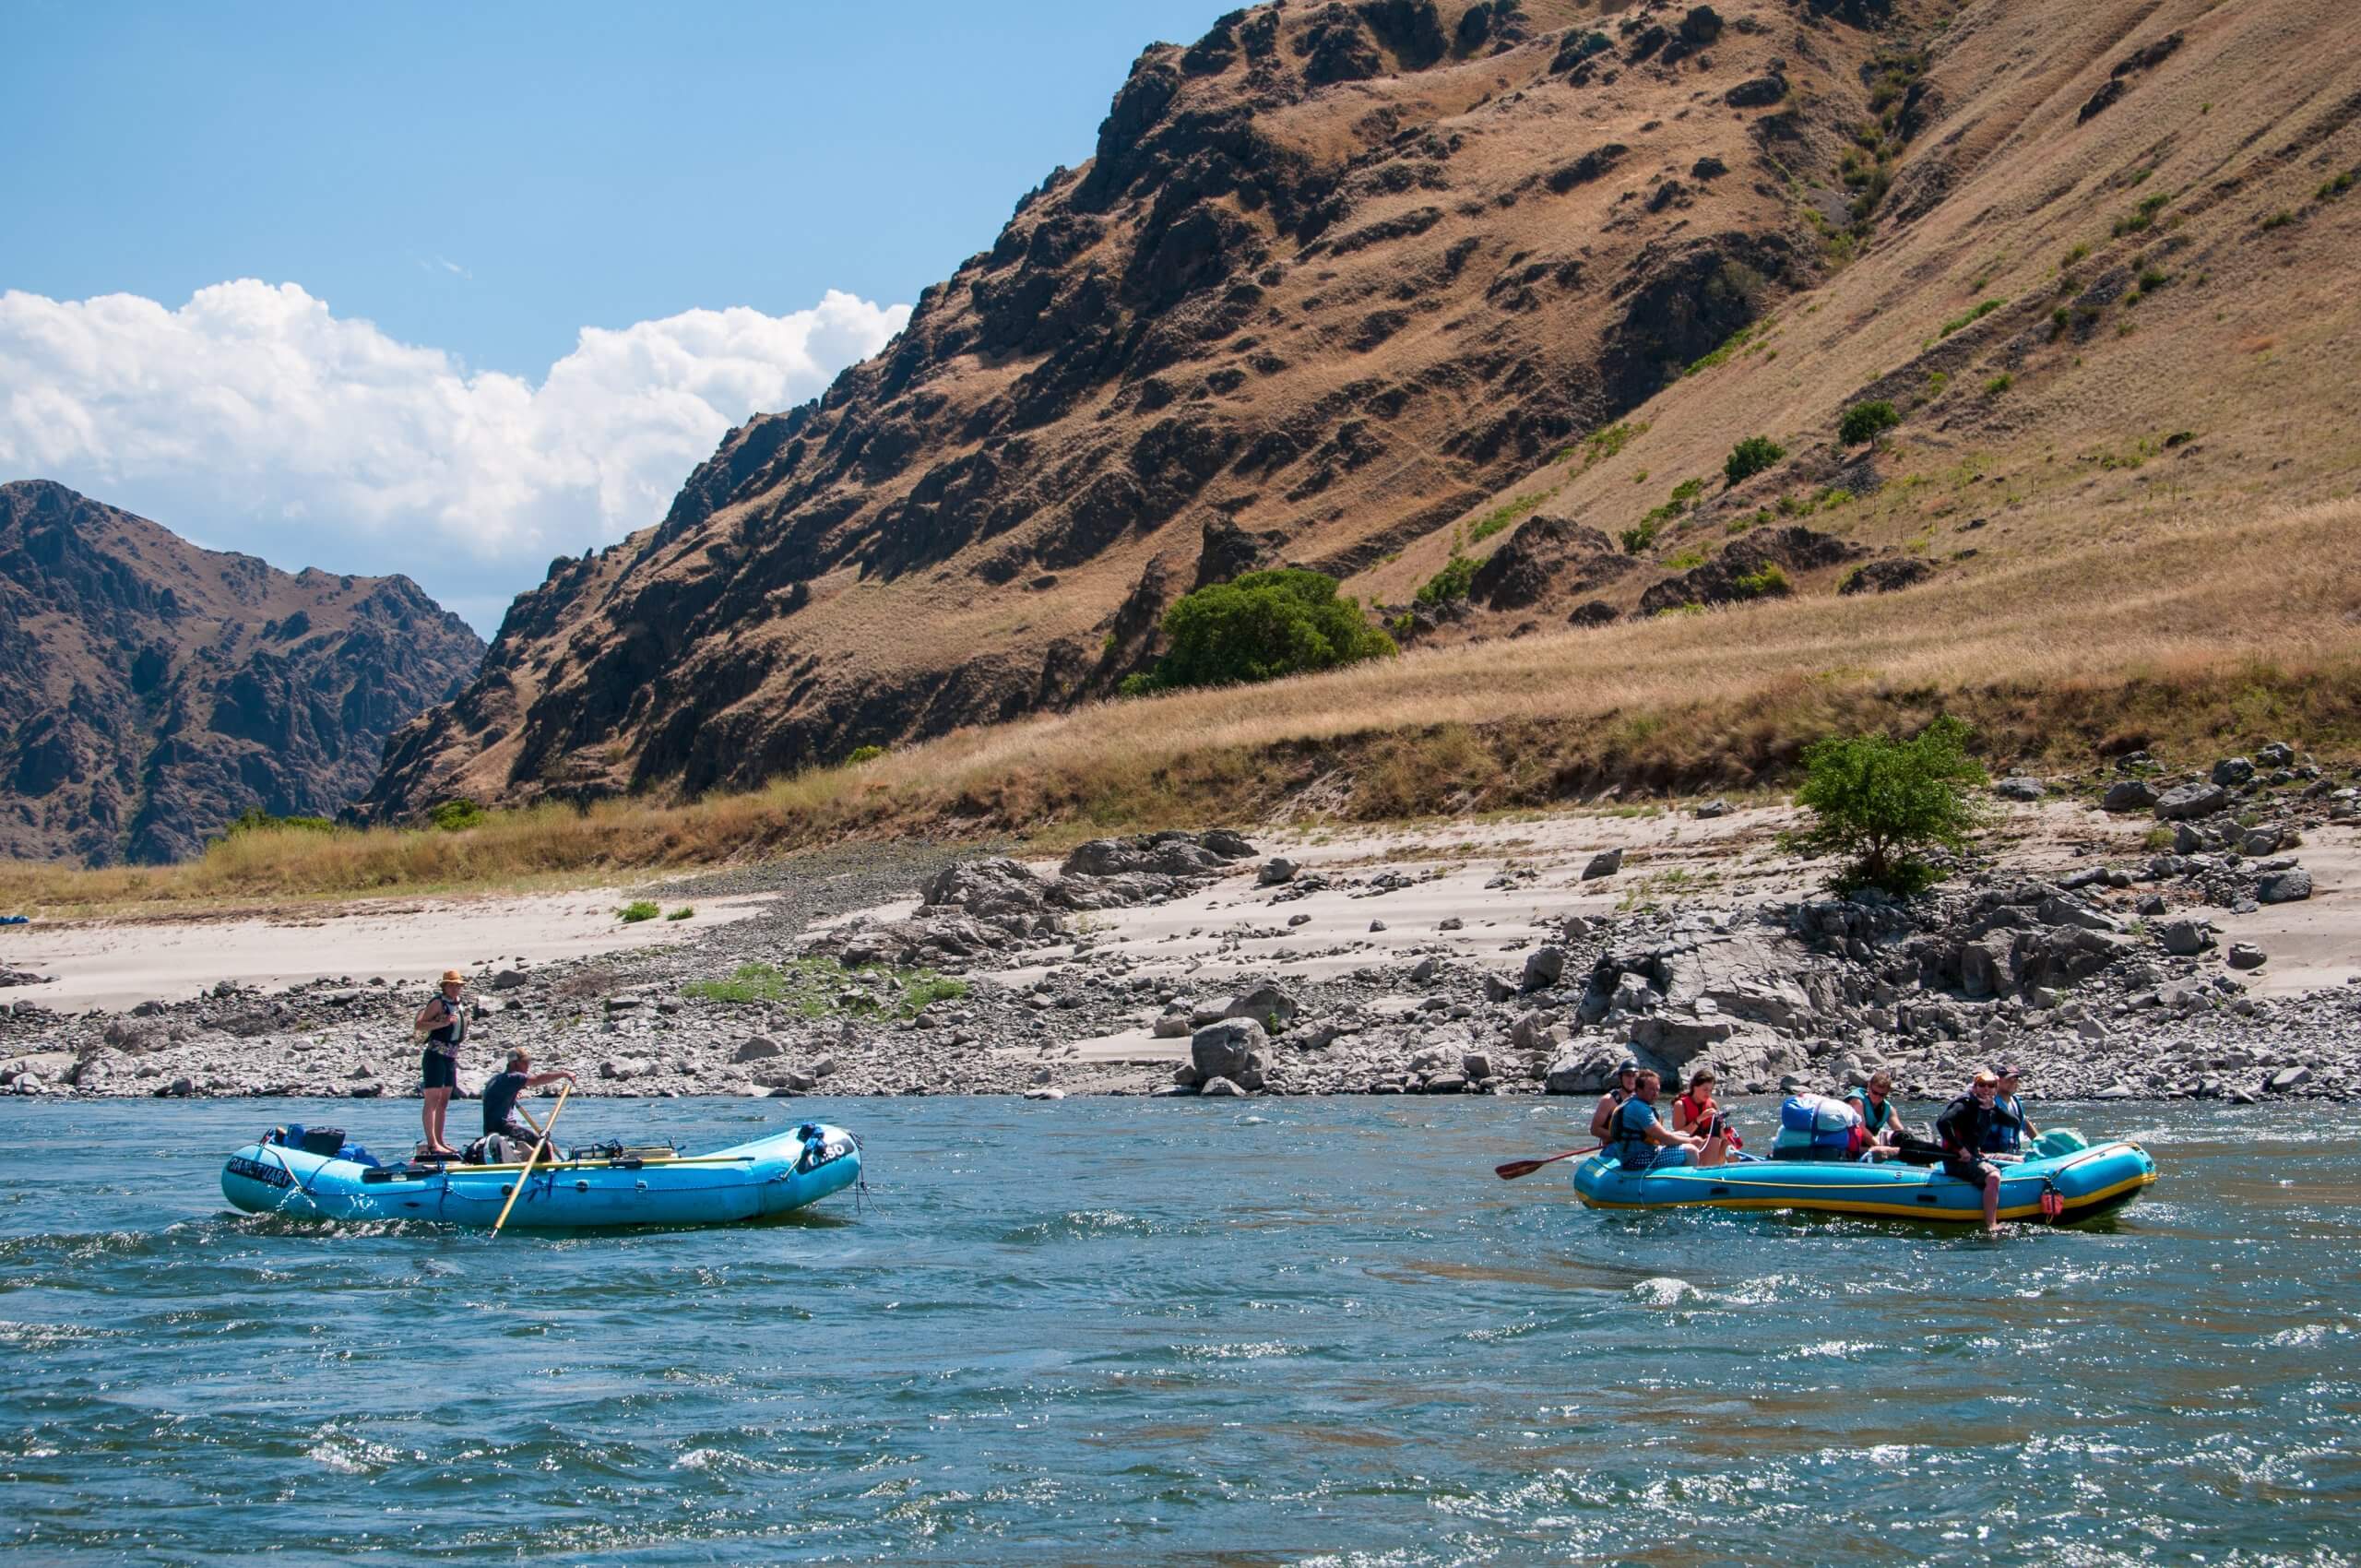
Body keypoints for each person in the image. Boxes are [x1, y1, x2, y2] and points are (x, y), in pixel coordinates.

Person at [1934, 1071, 2019, 1233]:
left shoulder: (1992, 1108)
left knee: (2019, 1160)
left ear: (1996, 1089)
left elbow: (2014, 1122)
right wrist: (1960, 1148)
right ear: (1975, 1087)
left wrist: (1994, 1108)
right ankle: (1991, 1225)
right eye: (1982, 1085)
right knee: (1993, 1176)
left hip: (1977, 1154)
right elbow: (1942, 1123)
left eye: (1991, 1086)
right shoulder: (1963, 1105)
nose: (1986, 1089)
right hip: (1957, 1159)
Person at [1610, 1069, 1723, 1171]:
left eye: (1657, 1090)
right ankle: (1688, 1188)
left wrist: (1686, 1137)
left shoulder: (1634, 1102)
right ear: (1639, 1089)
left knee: (1685, 1139)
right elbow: (1664, 1138)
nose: (1655, 1094)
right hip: (1636, 1160)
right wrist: (1691, 1141)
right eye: (1651, 1090)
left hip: (1643, 1153)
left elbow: (1661, 1137)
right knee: (1690, 1151)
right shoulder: (1639, 1108)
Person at [481, 1048, 576, 1158]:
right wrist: (564, 1074)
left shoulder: (497, 1079)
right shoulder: (513, 1077)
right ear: (514, 1063)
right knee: (544, 1145)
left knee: (529, 1147)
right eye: (525, 1062)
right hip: (503, 1127)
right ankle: (547, 1173)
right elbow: (537, 1079)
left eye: (529, 1062)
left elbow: (494, 1097)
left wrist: (511, 1095)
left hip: (490, 1130)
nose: (528, 1066)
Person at [413, 968, 469, 1158]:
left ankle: (440, 1139)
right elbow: (420, 1025)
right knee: (433, 1099)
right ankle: (432, 1143)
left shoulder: (458, 1004)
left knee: (444, 1100)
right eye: (452, 985)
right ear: (445, 986)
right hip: (436, 1055)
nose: (455, 989)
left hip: (450, 1056)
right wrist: (442, 1024)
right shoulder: (438, 1003)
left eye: (457, 986)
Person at [1671, 1069, 1742, 1151]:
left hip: (1709, 1146)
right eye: (1705, 1090)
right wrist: (1700, 1119)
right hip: (1689, 1149)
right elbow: (1678, 1137)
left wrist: (1720, 1126)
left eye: (1710, 1090)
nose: (1708, 1094)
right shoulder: (1680, 1105)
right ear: (1694, 1087)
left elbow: (1722, 1138)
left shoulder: (1712, 1104)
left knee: (1727, 1145)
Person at [1845, 1071, 1911, 1151]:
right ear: (1869, 1086)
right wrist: (1880, 1147)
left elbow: (1899, 1131)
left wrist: (1905, 1142)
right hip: (1848, 1143)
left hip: (1869, 1145)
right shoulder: (1856, 1101)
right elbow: (1860, 1128)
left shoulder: (1889, 1109)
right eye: (1875, 1092)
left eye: (1882, 1095)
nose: (1877, 1097)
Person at [1983, 1063, 2038, 1156]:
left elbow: (2026, 1125)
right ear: (1998, 1081)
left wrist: (2041, 1142)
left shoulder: (2015, 1102)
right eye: (2009, 1080)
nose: (2013, 1083)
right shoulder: (1989, 1103)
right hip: (1991, 1154)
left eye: (2015, 1080)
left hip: (2012, 1152)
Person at [1590, 1061, 1640, 1147]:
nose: (1631, 1079)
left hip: (1633, 1147)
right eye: (1628, 1075)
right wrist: (1621, 1138)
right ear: (1621, 1077)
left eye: (1634, 1075)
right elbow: (1594, 1130)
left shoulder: (1639, 1099)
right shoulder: (1608, 1100)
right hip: (1611, 1147)